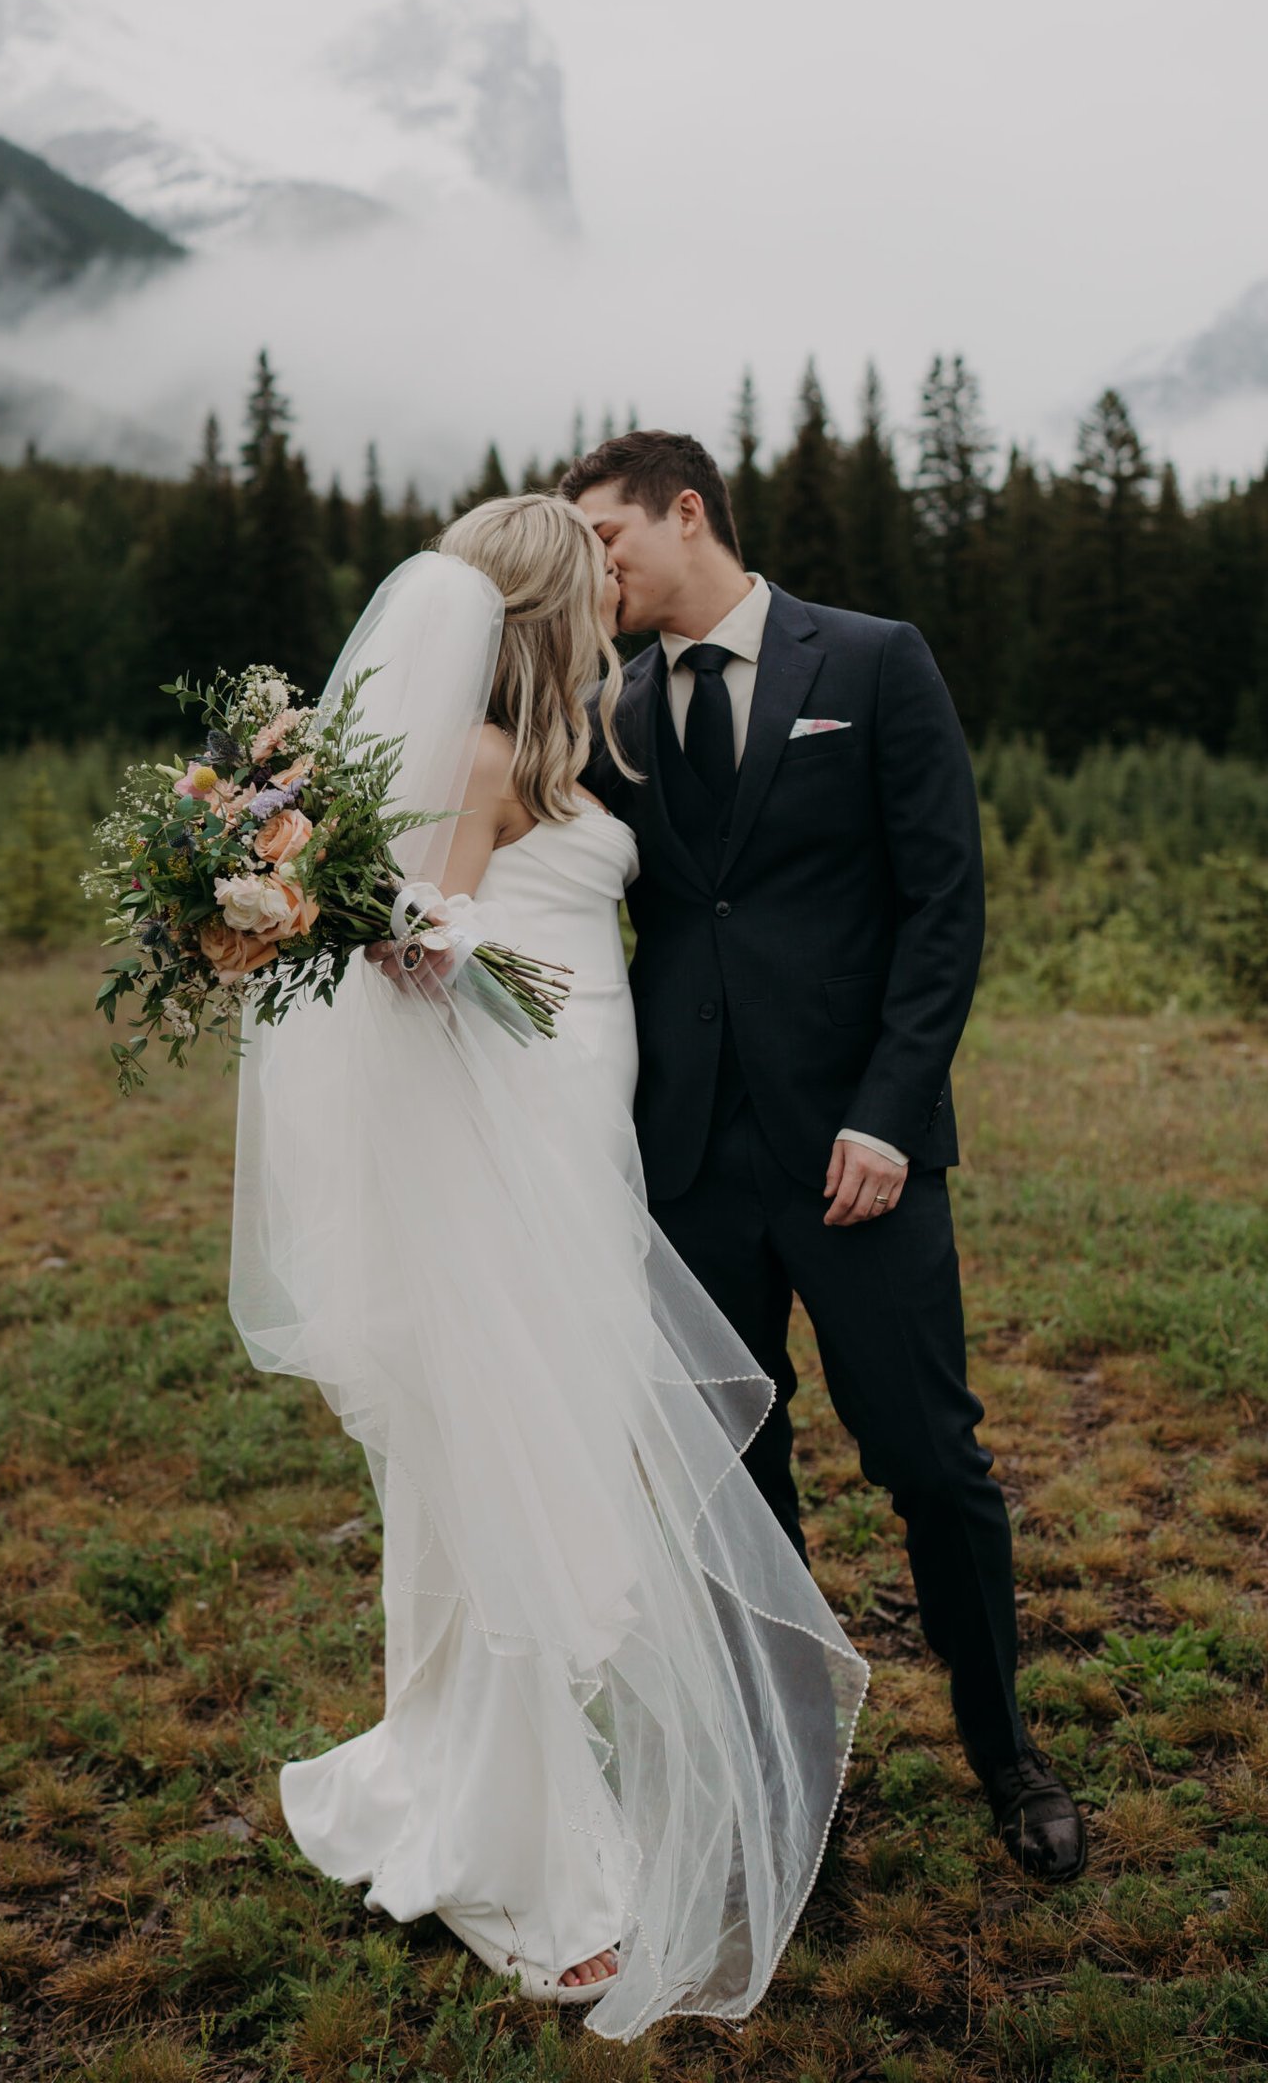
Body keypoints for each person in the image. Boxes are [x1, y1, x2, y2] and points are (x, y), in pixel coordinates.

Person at [226, 494, 868, 2040]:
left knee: (540, 1472)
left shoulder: (562, 749)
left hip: (585, 1146)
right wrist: (429, 956)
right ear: (535, 608)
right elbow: (404, 959)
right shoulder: (483, 758)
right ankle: (519, 1864)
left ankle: (476, 1776)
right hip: (506, 1156)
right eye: (588, 586)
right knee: (514, 1482)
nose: (611, 605)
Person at [564, 430, 1085, 1883]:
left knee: (933, 1463)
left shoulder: (869, 660)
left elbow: (943, 904)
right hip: (683, 1161)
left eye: (608, 539)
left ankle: (1007, 1751)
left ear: (687, 512)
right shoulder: (605, 705)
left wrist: (890, 1111)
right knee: (738, 1475)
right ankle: (790, 1765)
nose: (594, 571)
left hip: (860, 1150)